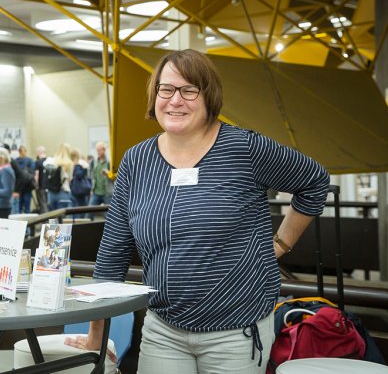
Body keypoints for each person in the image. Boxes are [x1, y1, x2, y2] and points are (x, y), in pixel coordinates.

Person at [65, 49, 330, 374]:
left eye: (189, 90)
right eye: (166, 89)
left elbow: (315, 180)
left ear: (209, 96)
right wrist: (96, 335)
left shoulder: (245, 149)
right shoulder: (137, 161)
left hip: (237, 331)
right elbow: (113, 252)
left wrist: (282, 243)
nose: (176, 100)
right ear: (155, 95)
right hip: (163, 329)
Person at [43, 143, 74, 211]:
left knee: (52, 218)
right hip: (63, 192)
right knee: (63, 218)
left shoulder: (50, 161)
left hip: (51, 194)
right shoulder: (69, 163)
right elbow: (70, 178)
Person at [89, 141, 113, 206]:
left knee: (109, 214)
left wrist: (108, 174)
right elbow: (90, 175)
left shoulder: (110, 162)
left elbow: (115, 177)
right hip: (96, 193)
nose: (98, 152)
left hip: (107, 193)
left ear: (104, 150)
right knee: (89, 211)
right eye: (97, 150)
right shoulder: (93, 162)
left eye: (99, 150)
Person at [69, 147, 91, 214]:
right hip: (79, 191)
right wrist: (85, 169)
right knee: (81, 210)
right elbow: (79, 175)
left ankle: (54, 224)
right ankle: (81, 223)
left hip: (70, 190)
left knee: (56, 214)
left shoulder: (68, 164)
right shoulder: (78, 165)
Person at [14, 145, 35, 213]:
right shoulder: (30, 161)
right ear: (26, 151)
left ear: (18, 152)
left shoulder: (15, 161)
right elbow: (32, 172)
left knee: (18, 208)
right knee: (27, 208)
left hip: (18, 187)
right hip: (27, 186)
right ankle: (28, 223)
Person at [33, 145, 48, 213]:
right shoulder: (49, 161)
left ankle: (45, 221)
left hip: (41, 186)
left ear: (39, 152)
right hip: (50, 187)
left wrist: (36, 185)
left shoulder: (38, 162)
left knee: (42, 204)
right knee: (48, 204)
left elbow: (37, 175)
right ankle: (52, 221)